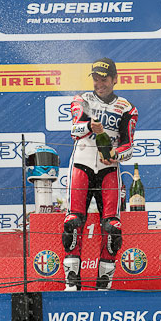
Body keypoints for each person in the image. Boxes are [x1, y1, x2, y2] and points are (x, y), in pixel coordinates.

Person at [62, 58, 138, 291]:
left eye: (104, 79)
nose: (99, 83)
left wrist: (116, 154)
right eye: (95, 78)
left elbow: (128, 146)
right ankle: (71, 283)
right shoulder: (82, 100)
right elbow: (74, 130)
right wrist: (88, 127)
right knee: (73, 222)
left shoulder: (127, 108)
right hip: (82, 165)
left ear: (115, 79)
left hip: (109, 170)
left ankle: (104, 284)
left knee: (112, 227)